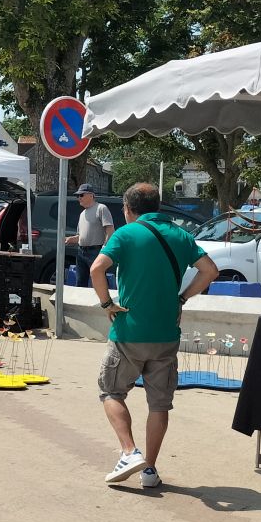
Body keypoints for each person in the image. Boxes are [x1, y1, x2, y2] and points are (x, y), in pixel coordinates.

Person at [89, 183, 219, 489]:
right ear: (157, 206)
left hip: (129, 332)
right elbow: (210, 271)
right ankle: (149, 470)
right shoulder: (181, 235)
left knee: (111, 391)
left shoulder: (125, 234)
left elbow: (96, 269)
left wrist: (107, 304)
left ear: (127, 208)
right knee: (159, 404)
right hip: (166, 333)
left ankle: (128, 452)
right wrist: (182, 298)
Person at [66, 184, 114, 288]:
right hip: (81, 252)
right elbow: (80, 236)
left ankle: (102, 299)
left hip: (96, 252)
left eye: (81, 195)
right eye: (78, 196)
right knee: (80, 283)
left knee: (97, 284)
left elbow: (110, 230)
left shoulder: (101, 208)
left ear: (91, 195)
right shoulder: (82, 214)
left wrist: (104, 249)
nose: (79, 198)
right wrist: (69, 239)